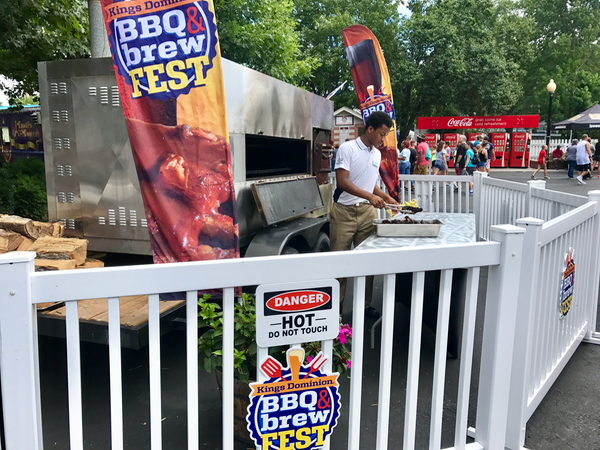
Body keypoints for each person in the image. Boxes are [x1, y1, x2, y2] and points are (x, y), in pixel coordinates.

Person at [331, 111, 398, 318]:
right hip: (344, 212)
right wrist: (370, 197)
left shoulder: (376, 154)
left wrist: (386, 197)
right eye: (381, 133)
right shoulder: (347, 148)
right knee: (339, 262)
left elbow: (370, 184)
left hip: (368, 213)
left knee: (367, 261)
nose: (383, 139)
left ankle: (365, 305)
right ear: (370, 129)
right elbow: (343, 181)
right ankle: (336, 308)